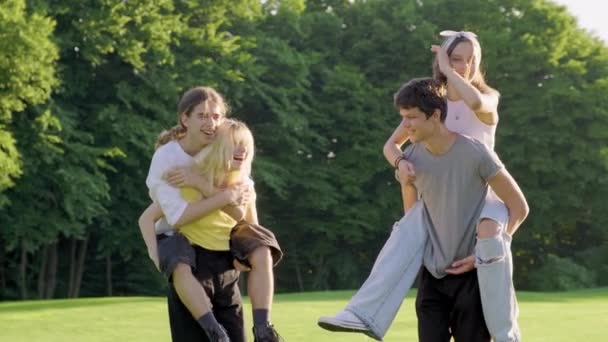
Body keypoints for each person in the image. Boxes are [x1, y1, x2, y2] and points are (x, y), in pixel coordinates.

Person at [319, 31, 523, 342]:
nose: (464, 66)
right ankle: (362, 313)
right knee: (405, 233)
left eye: (471, 60)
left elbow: (474, 101)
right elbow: (392, 146)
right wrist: (401, 165)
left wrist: (445, 63)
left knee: (490, 236)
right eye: (457, 58)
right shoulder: (432, 101)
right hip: (443, 191)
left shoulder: (487, 95)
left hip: (485, 190)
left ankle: (506, 334)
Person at [140, 118, 284, 342]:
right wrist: (154, 253)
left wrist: (243, 257)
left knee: (263, 243)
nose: (242, 149)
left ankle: (263, 328)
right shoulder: (189, 177)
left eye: (246, 144)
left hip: (226, 272)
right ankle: (212, 330)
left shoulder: (245, 186)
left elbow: (250, 227)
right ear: (218, 147)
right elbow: (147, 217)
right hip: (193, 268)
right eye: (235, 143)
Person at [140, 86, 250, 342]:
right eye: (202, 115)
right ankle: (212, 329)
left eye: (216, 116)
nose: (211, 123)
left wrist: (246, 246)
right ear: (184, 119)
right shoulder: (167, 158)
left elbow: (241, 207)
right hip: (180, 245)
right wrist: (223, 196)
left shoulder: (225, 149)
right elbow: (177, 217)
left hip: (218, 248)